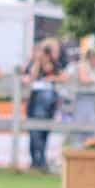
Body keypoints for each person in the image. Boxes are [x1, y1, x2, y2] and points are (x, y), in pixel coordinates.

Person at [24, 40, 64, 170]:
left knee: (44, 132)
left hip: (49, 105)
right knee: (34, 132)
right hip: (34, 103)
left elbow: (63, 76)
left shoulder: (55, 65)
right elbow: (31, 77)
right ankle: (37, 160)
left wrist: (53, 78)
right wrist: (37, 62)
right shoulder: (33, 64)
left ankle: (40, 160)